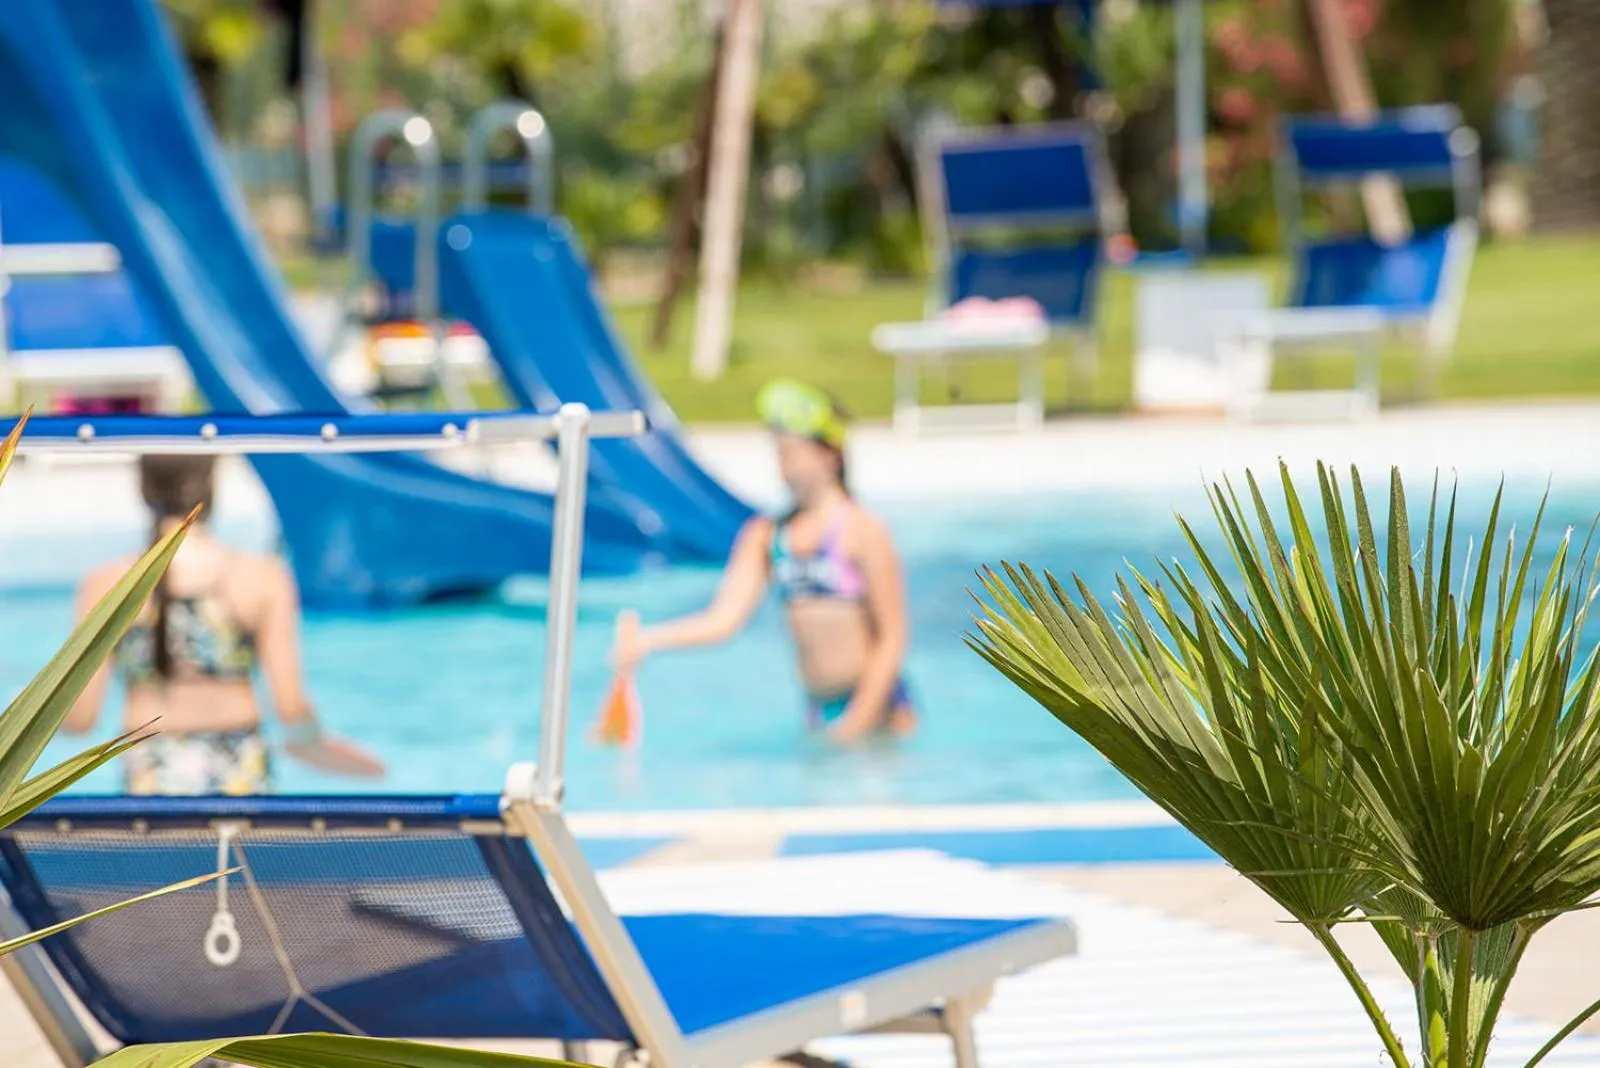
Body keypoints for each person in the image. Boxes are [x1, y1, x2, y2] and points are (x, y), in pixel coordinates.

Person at [612, 379, 914, 743]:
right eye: (779, 452)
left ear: (830, 455)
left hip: (880, 710)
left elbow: (892, 638)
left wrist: (858, 721)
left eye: (793, 451)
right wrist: (648, 641)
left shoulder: (863, 530)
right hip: (819, 710)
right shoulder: (767, 535)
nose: (783, 462)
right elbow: (722, 620)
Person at [65, 454, 385, 794]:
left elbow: (80, 720)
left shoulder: (106, 585)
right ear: (213, 487)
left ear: (143, 491)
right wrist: (312, 743)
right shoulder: (262, 578)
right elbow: (290, 707)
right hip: (241, 772)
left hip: (148, 775)